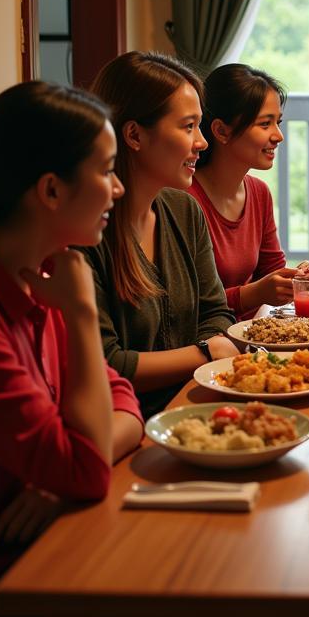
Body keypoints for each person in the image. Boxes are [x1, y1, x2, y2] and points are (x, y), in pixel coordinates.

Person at [0, 82, 143, 617]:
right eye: (109, 171)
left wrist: (60, 481)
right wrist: (83, 314)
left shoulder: (38, 272)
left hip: (51, 540)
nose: (118, 188)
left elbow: (123, 405)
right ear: (52, 189)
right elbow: (88, 466)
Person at [85, 51, 237, 418]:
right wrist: (205, 352)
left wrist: (207, 348)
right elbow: (107, 364)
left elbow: (217, 312)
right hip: (130, 424)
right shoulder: (87, 232)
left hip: (197, 401)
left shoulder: (184, 210)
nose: (202, 142)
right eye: (188, 127)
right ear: (135, 134)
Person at [187, 64, 304, 319]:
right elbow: (186, 303)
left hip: (255, 334)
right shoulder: (184, 200)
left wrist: (296, 278)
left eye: (278, 122)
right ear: (221, 131)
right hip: (210, 342)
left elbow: (272, 271)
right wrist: (253, 293)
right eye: (265, 124)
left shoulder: (259, 192)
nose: (279, 136)